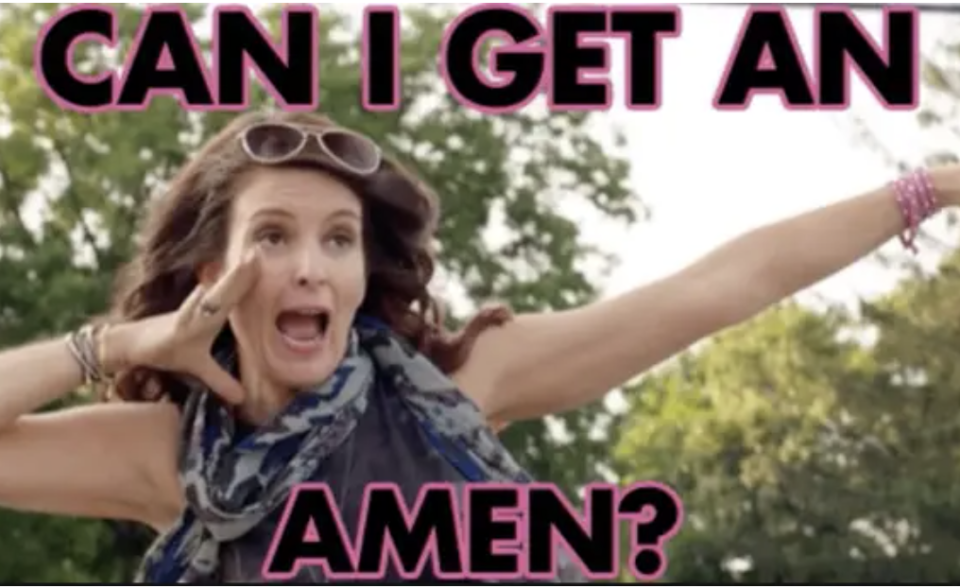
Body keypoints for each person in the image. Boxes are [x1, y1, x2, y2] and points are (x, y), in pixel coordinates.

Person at [0, 109, 956, 583]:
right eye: (274, 236)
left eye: (339, 240)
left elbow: (718, 287)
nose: (310, 269)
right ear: (211, 272)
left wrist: (930, 191)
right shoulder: (169, 458)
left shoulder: (461, 384)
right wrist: (119, 342)